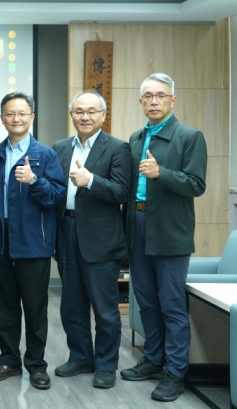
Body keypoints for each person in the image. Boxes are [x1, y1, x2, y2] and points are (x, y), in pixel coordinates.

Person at [120, 73, 207, 402]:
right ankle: (154, 359)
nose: (154, 101)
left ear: (173, 100)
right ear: (140, 101)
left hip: (170, 230)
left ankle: (176, 371)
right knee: (146, 300)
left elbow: (196, 185)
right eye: (148, 96)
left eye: (161, 95)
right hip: (138, 224)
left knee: (171, 303)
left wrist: (161, 174)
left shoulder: (189, 136)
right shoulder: (135, 137)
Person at [0, 92, 66, 390]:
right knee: (4, 307)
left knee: (35, 307)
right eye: (10, 113)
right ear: (2, 118)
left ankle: (37, 365)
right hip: (0, 240)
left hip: (33, 242)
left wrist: (34, 180)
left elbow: (56, 196)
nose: (15, 118)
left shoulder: (46, 155)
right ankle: (9, 361)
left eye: (21, 113)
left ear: (32, 117)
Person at [51, 91, 132, 389]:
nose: (85, 116)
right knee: (71, 306)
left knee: (105, 309)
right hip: (66, 232)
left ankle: (107, 364)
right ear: (71, 115)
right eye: (79, 111)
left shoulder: (118, 148)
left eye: (91, 111)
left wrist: (92, 181)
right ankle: (81, 357)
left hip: (101, 238)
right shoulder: (60, 148)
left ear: (103, 115)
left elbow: (122, 192)